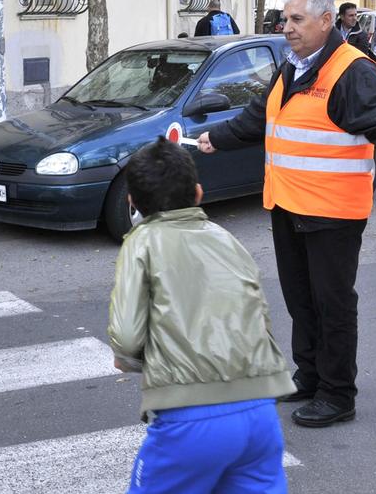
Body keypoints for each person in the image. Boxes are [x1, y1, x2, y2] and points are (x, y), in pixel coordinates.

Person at [197, 0, 376, 428]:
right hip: (289, 204)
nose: (286, 28)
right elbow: (261, 116)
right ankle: (309, 375)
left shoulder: (352, 70)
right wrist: (218, 137)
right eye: (285, 20)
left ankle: (337, 394)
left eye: (296, 20)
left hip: (333, 212)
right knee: (300, 300)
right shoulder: (291, 67)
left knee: (332, 304)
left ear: (326, 21)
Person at [109, 137, 294, 494]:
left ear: (132, 203)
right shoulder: (228, 240)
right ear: (198, 193)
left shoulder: (141, 242)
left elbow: (128, 335)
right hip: (259, 411)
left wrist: (129, 359)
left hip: (190, 416)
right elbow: (257, 313)